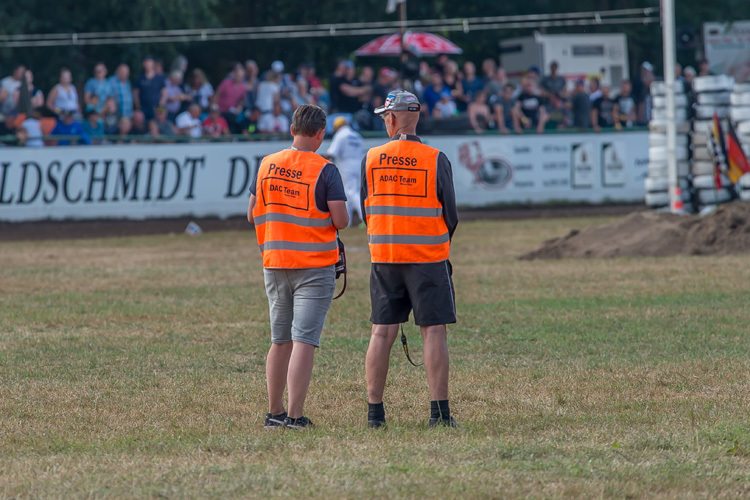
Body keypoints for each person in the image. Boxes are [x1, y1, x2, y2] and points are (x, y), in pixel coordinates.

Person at [246, 104, 349, 430]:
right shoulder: (325, 169)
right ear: (320, 135)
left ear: (292, 130)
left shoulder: (267, 164)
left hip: (275, 262)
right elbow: (341, 220)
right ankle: (295, 415)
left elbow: (251, 214)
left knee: (280, 341)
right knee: (304, 340)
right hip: (314, 266)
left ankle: (274, 413)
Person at [361, 91, 459, 428]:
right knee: (433, 332)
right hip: (428, 257)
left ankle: (375, 415)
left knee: (381, 333)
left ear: (391, 119)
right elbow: (451, 215)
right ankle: (439, 415)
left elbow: (365, 207)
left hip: (385, 256)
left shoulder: (372, 156)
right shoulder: (435, 158)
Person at [325, 115, 363, 225]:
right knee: (349, 192)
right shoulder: (356, 135)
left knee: (351, 192)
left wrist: (320, 161)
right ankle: (349, 221)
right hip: (357, 165)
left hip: (346, 165)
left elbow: (331, 152)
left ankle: (364, 216)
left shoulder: (341, 135)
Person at [134, 56, 166, 121]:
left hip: (155, 109)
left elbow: (164, 94)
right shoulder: (140, 78)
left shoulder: (159, 78)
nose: (147, 64)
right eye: (146, 62)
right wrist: (138, 108)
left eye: (149, 62)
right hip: (143, 109)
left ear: (153, 63)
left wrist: (160, 106)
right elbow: (136, 94)